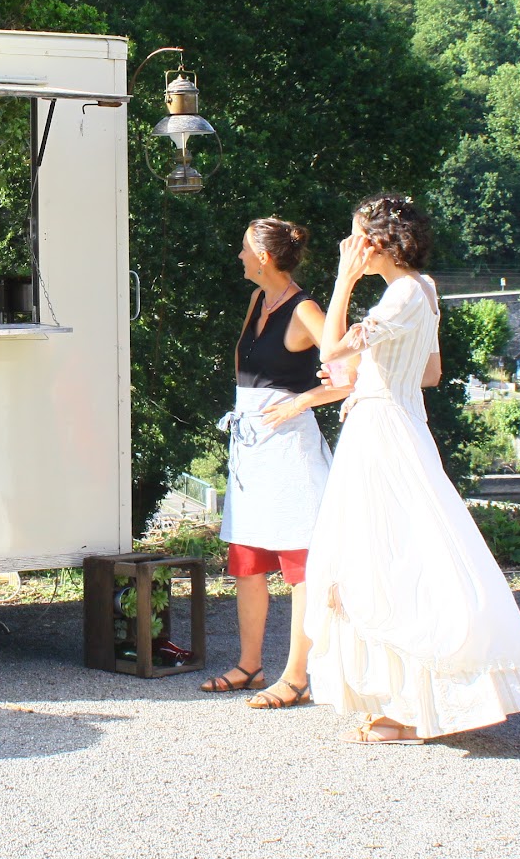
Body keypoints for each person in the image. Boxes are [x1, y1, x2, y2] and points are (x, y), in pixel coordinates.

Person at [303, 194, 520, 744]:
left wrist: (343, 281)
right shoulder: (423, 289)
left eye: (357, 236)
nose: (351, 246)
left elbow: (332, 350)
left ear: (380, 242)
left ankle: (410, 709)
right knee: (397, 553)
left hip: (381, 434)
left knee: (386, 558)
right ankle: (400, 702)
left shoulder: (403, 293)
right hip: (399, 424)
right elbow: (430, 371)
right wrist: (373, 375)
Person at [201, 218, 349, 708]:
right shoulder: (256, 300)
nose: (239, 256)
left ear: (263, 257)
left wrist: (301, 401)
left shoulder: (304, 309)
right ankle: (250, 666)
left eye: (245, 249)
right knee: (247, 560)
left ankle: (297, 676)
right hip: (251, 448)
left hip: (290, 451)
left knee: (299, 563)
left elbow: (350, 372)